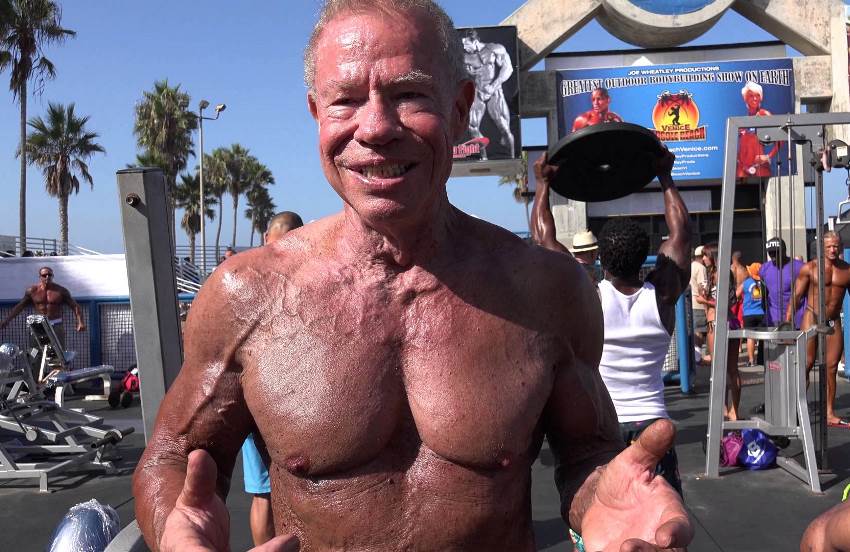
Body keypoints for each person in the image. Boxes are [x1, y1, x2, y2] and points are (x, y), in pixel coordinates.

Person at [133, 2, 693, 551]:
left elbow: (586, 452)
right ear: (315, 114)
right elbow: (170, 459)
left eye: (407, 95)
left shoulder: (547, 290)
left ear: (460, 108)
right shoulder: (247, 295)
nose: (374, 127)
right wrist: (176, 530)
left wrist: (604, 498)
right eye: (345, 100)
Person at [534, 147, 691, 501]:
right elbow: (681, 234)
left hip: (604, 428)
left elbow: (545, 241)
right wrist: (665, 176)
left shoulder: (591, 297)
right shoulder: (663, 298)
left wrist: (543, 185)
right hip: (654, 428)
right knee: (660, 520)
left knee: (607, 519)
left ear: (601, 258)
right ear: (646, 255)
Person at [241, 211, 305, 546]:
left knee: (265, 491)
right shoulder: (307, 280)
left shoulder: (243, 280)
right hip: (274, 399)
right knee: (271, 490)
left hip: (268, 397)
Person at [787, 231, 850, 427]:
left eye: (836, 246)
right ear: (822, 247)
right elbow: (796, 296)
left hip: (832, 321)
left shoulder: (847, 270)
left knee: (831, 367)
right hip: (811, 317)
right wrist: (787, 322)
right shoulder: (810, 268)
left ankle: (829, 412)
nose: (833, 249)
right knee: (805, 364)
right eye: (829, 246)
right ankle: (795, 410)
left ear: (840, 246)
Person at [696, 244, 742, 420]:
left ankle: (728, 409)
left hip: (718, 322)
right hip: (725, 322)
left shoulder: (719, 274)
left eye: (706, 256)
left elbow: (726, 302)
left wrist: (704, 300)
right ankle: (731, 410)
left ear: (713, 257)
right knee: (730, 369)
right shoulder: (720, 273)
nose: (703, 259)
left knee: (722, 369)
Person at [461, 28, 515, 160]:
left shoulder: (494, 49)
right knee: (472, 126)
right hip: (478, 91)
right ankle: (484, 156)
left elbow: (508, 68)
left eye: (466, 44)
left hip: (494, 91)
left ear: (474, 41)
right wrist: (471, 73)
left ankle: (513, 156)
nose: (464, 47)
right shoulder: (465, 57)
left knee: (503, 126)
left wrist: (494, 85)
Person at [0, 266, 86, 348]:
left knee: (58, 355)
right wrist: (6, 320)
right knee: (36, 353)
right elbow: (20, 306)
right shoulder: (32, 291)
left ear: (53, 276)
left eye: (50, 275)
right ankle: (37, 363)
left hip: (56, 325)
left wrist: (80, 322)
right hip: (39, 325)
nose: (47, 277)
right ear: (40, 277)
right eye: (44, 275)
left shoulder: (61, 291)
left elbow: (75, 306)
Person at [760, 237, 806, 328]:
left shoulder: (800, 267)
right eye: (770, 253)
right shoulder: (764, 269)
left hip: (796, 319)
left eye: (775, 252)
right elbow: (764, 295)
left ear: (784, 251)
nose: (772, 256)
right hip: (773, 319)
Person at [736, 81, 778, 178]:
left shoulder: (764, 115)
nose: (755, 98)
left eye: (757, 95)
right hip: (742, 168)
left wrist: (768, 156)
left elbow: (781, 136)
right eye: (751, 96)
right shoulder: (742, 122)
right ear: (745, 98)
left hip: (759, 167)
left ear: (761, 97)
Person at [740, 262, 766, 367]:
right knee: (763, 337)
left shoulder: (747, 283)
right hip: (761, 313)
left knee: (750, 337)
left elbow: (736, 294)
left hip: (749, 314)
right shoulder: (764, 283)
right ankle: (763, 359)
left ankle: (751, 360)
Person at [690, 245, 708, 360]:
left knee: (694, 331)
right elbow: (703, 288)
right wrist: (706, 307)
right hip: (699, 305)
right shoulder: (701, 268)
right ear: (702, 256)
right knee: (699, 332)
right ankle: (698, 358)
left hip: (689, 304)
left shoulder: (689, 266)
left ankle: (695, 358)